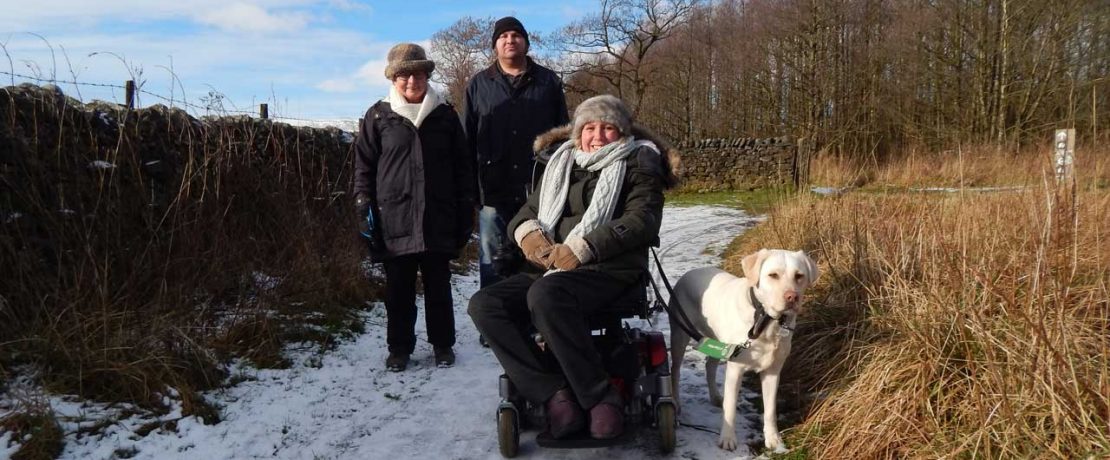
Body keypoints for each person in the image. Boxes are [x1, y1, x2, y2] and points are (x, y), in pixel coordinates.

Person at [468, 95, 680, 440]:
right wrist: (530, 237)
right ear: (577, 132)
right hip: (550, 270)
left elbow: (642, 220)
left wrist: (585, 247)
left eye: (608, 128)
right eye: (590, 127)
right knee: (485, 305)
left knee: (546, 295)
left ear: (622, 133)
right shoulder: (561, 163)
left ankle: (600, 397)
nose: (597, 136)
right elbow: (526, 213)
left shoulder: (639, 163)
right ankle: (553, 393)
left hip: (609, 270)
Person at [354, 43, 476, 372]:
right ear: (393, 79)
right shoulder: (378, 116)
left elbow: (462, 167)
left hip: (437, 215)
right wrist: (363, 206)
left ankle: (443, 345)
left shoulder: (445, 115)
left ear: (427, 76)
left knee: (438, 286)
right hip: (394, 218)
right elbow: (364, 167)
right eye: (404, 75)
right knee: (399, 291)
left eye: (419, 74)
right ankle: (399, 349)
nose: (412, 81)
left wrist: (466, 209)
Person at [462, 16, 570, 289]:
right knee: (492, 263)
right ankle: (494, 329)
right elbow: (467, 141)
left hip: (540, 190)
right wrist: (471, 191)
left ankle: (537, 327)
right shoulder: (478, 85)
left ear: (526, 42)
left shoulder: (548, 82)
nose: (510, 41)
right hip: (492, 192)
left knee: (539, 259)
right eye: (503, 37)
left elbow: (564, 136)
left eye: (516, 35)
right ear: (495, 46)